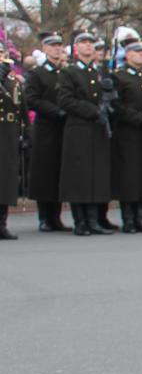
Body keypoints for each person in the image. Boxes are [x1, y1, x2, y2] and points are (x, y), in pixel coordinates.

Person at [56, 32, 116, 236]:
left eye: (92, 43)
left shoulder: (99, 73)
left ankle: (93, 219)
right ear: (76, 47)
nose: (89, 46)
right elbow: (65, 100)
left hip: (98, 129)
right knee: (79, 176)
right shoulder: (69, 72)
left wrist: (109, 96)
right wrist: (93, 111)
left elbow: (108, 99)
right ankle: (80, 221)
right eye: (84, 43)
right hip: (79, 129)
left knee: (95, 176)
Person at [110, 41, 142, 233]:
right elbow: (117, 106)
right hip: (128, 131)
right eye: (138, 53)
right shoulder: (120, 77)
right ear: (128, 55)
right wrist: (138, 118)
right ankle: (129, 218)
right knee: (130, 175)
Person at [24, 32, 68, 232]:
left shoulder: (65, 73)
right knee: (45, 173)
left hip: (63, 128)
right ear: (45, 49)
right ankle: (44, 217)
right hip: (46, 128)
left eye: (59, 45)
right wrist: (55, 111)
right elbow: (32, 99)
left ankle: (56, 216)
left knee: (59, 172)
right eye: (53, 46)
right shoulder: (38, 74)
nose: (57, 49)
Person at [0, 47, 22, 239]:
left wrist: (26, 130)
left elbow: (20, 107)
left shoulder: (11, 79)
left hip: (8, 132)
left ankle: (2, 222)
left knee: (6, 178)